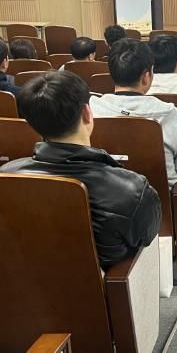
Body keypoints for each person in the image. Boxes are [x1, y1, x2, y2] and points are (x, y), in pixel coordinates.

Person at [0, 71, 161, 270]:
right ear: (87, 113)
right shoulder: (132, 190)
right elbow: (148, 236)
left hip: (24, 283)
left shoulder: (6, 175)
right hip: (107, 286)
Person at [89, 38, 177, 188]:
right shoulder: (171, 115)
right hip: (159, 198)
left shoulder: (90, 111)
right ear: (146, 76)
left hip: (103, 194)